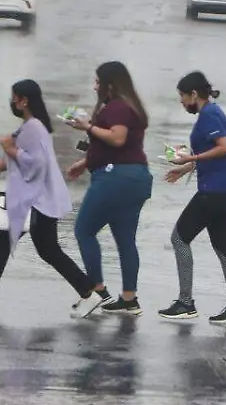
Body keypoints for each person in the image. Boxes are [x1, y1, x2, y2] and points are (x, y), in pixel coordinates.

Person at [0, 80, 109, 318]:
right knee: (40, 249)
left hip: (37, 200)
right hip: (37, 199)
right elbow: (16, 160)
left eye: (14, 97)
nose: (12, 102)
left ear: (24, 100)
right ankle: (88, 293)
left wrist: (10, 148)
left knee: (35, 248)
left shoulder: (33, 128)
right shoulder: (32, 126)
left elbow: (35, 164)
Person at [159, 71, 226, 327]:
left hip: (216, 189)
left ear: (194, 95)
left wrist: (191, 159)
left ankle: (185, 303)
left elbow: (225, 147)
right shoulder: (214, 112)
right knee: (222, 246)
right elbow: (218, 151)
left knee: (179, 238)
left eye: (182, 96)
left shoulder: (209, 114)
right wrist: (185, 169)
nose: (181, 102)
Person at [66, 61, 153, 316]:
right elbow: (123, 147)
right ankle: (129, 299)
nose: (95, 87)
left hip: (115, 178)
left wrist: (88, 127)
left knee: (84, 230)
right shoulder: (131, 105)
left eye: (97, 82)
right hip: (135, 176)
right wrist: (85, 162)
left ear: (110, 84)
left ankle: (97, 291)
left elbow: (117, 138)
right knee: (126, 240)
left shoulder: (117, 107)